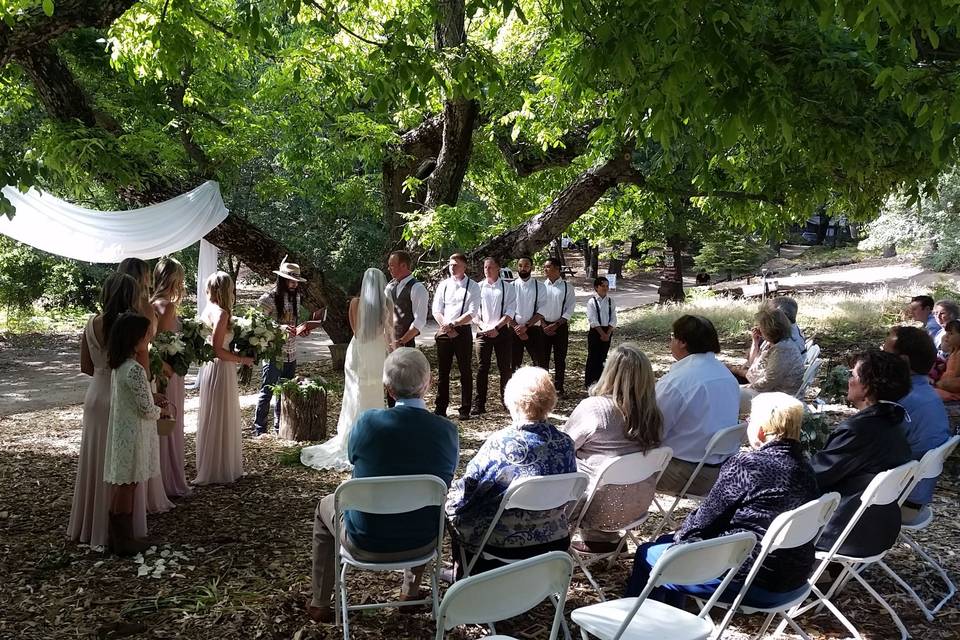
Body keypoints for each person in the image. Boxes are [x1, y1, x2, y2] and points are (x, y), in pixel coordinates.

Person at [306, 348, 459, 623]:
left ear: (387, 388)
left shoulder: (368, 423)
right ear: (429, 383)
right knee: (425, 503)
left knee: (323, 507)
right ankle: (410, 592)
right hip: (423, 540)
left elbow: (353, 457)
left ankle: (320, 601)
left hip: (365, 538)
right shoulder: (446, 431)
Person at [624, 392, 819, 609]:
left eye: (749, 419)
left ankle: (635, 628)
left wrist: (681, 540)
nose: (747, 424)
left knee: (648, 554)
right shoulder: (805, 468)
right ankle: (669, 619)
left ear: (763, 430)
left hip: (746, 577)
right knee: (665, 545)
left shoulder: (749, 465)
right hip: (791, 578)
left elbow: (705, 520)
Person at [446, 367, 577, 576]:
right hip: (554, 539)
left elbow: (467, 492)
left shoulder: (501, 444)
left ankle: (464, 580)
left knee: (455, 516)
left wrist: (448, 502)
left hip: (503, 543)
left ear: (511, 400)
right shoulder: (566, 444)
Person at [69, 273, 150, 550]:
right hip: (120, 396)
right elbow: (143, 367)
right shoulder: (131, 326)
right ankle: (119, 534)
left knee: (96, 460)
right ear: (130, 295)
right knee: (122, 464)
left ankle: (91, 526)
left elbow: (86, 367)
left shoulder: (91, 323)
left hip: (96, 394)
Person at [561, 344, 662, 553]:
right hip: (637, 504)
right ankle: (602, 540)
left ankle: (555, 544)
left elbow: (563, 447)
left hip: (595, 506)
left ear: (610, 372)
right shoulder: (653, 413)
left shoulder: (595, 408)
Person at [812, 349, 913, 557]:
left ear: (867, 388)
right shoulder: (894, 420)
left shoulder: (860, 430)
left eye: (854, 375)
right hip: (877, 527)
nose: (849, 380)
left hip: (842, 530)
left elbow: (814, 476)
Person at [301, 268, 393, 471]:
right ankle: (374, 435)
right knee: (374, 391)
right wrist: (392, 352)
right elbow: (389, 333)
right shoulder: (387, 304)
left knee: (355, 391)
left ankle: (352, 434)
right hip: (377, 350)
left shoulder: (354, 303)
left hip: (359, 349)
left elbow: (355, 331)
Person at [655, 315, 740, 497]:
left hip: (686, 473)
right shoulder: (726, 375)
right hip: (725, 469)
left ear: (682, 342)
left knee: (615, 462)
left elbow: (653, 432)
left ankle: (611, 516)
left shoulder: (678, 382)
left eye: (673, 336)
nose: (671, 341)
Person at [103, 312, 165, 555]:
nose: (148, 339)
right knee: (128, 484)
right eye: (146, 335)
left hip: (122, 431)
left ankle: (117, 537)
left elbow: (135, 398)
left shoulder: (120, 367)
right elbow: (145, 409)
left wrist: (151, 397)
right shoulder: (136, 370)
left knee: (124, 484)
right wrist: (160, 409)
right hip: (134, 434)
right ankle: (124, 539)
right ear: (134, 339)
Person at [117, 257, 173, 514]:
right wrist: (151, 385)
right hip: (138, 374)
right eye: (147, 276)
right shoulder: (145, 308)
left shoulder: (108, 311)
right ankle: (135, 512)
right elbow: (144, 353)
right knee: (137, 450)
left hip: (113, 380)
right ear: (142, 278)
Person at [882, 326, 951, 523]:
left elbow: (864, 455)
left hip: (895, 503)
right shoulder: (927, 394)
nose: (880, 359)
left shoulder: (901, 402)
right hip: (915, 497)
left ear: (903, 362)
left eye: (885, 354)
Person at [194, 272, 252, 485]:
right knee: (220, 414)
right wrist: (242, 359)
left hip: (213, 368)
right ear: (227, 289)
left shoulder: (209, 309)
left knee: (216, 414)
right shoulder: (221, 314)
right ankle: (219, 468)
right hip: (221, 367)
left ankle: (217, 463)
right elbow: (218, 350)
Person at [254, 259, 323, 436]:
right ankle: (259, 429)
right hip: (273, 353)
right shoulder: (267, 299)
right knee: (267, 391)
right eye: (290, 280)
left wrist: (303, 330)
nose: (293, 284)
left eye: (296, 282)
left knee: (284, 390)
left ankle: (280, 427)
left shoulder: (296, 298)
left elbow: (293, 323)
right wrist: (280, 328)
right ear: (282, 280)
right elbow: (255, 326)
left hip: (291, 352)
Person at [150, 257, 191, 498]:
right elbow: (163, 344)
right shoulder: (166, 306)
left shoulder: (150, 303)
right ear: (173, 279)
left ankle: (159, 479)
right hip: (168, 373)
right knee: (169, 422)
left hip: (157, 372)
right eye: (181, 279)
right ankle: (168, 481)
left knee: (159, 424)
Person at [432, 253, 479, 419]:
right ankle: (440, 407)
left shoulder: (473, 286)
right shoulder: (443, 285)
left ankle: (465, 408)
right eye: (451, 264)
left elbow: (472, 312)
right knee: (443, 372)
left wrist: (454, 324)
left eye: (456, 264)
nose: (452, 267)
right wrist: (445, 325)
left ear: (464, 266)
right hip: (444, 331)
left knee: (465, 370)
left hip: (462, 331)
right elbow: (436, 309)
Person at [733, 307, 805, 412]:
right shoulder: (776, 344)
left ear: (770, 329)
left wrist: (748, 386)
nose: (758, 328)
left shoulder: (782, 350)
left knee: (729, 393)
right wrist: (756, 342)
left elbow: (768, 381)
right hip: (771, 391)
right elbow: (754, 366)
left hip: (781, 398)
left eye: (761, 326)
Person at [472, 256, 517, 415]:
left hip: (502, 332)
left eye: (490, 267)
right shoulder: (477, 287)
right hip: (483, 332)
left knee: (505, 368)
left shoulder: (508, 288)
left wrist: (497, 327)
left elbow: (510, 312)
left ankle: (507, 402)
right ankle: (479, 404)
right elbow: (474, 312)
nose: (487, 270)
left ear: (498, 268)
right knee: (482, 368)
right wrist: (484, 326)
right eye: (485, 267)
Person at [540, 258, 575, 396]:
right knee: (543, 358)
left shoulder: (567, 287)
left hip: (560, 326)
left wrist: (557, 324)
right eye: (545, 267)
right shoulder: (541, 287)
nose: (545, 270)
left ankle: (559, 387)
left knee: (560, 358)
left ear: (556, 269)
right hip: (543, 327)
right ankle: (544, 387)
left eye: (548, 267)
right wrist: (543, 324)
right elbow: (538, 307)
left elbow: (570, 308)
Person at [385, 250, 428, 350]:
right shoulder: (389, 287)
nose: (389, 269)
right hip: (388, 344)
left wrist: (401, 341)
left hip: (406, 345)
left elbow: (420, 321)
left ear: (403, 266)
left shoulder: (417, 288)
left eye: (392, 265)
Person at [511, 256, 546, 370]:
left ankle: (541, 387)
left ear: (532, 267)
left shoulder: (540, 287)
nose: (523, 268)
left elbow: (542, 310)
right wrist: (517, 327)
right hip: (514, 329)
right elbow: (505, 310)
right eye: (520, 266)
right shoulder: (510, 287)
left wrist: (526, 326)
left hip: (533, 329)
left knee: (540, 363)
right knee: (514, 364)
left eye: (526, 265)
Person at [584, 276, 617, 388]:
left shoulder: (610, 301)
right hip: (596, 331)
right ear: (596, 287)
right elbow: (592, 319)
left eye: (607, 286)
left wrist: (607, 333)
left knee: (603, 357)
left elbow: (613, 318)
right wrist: (601, 333)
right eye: (603, 286)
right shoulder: (592, 302)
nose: (605, 288)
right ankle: (589, 382)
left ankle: (600, 381)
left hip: (607, 331)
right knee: (593, 356)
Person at [934, 319, 960, 402]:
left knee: (944, 384)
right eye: (947, 333)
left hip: (953, 382)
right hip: (947, 380)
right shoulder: (953, 351)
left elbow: (957, 374)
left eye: (951, 334)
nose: (947, 336)